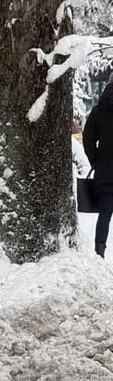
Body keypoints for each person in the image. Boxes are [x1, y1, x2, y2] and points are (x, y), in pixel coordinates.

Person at [83, 82, 113, 257]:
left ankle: (99, 250)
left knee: (104, 214)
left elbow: (88, 138)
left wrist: (95, 159)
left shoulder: (98, 111)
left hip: (105, 171)